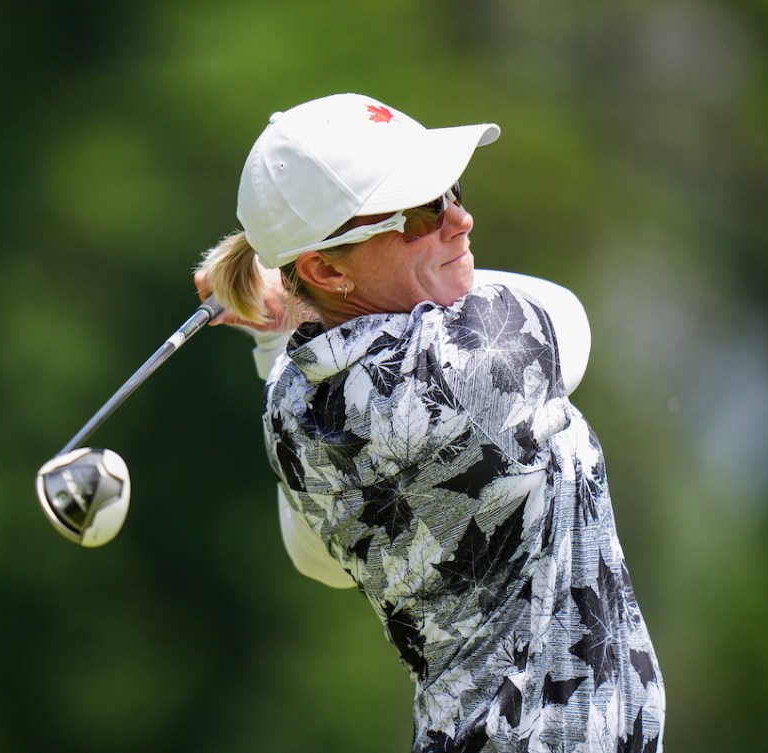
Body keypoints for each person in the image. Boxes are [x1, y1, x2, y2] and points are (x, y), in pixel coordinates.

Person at [195, 93, 664, 753]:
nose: (461, 219)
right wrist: (294, 312)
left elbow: (317, 561)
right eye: (418, 212)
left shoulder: (288, 403)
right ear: (325, 268)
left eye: (450, 191)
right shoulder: (470, 355)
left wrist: (281, 331)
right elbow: (569, 319)